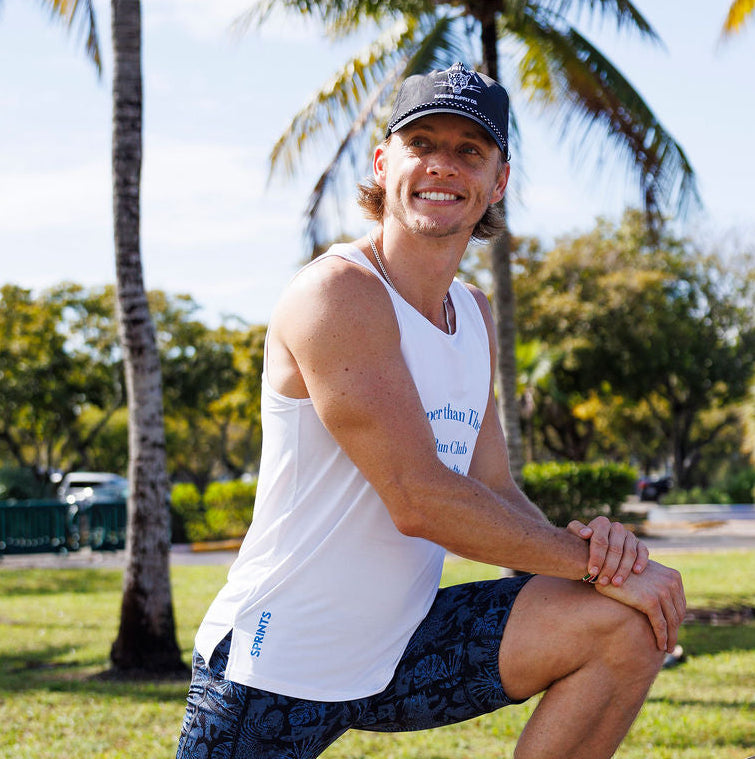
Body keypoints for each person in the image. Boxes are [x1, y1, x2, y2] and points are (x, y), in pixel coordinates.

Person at [176, 62, 685, 759]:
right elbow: (419, 499)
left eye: (469, 150)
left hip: (401, 643)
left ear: (497, 182)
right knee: (616, 594)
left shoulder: (472, 313)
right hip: (277, 660)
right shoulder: (337, 293)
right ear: (383, 164)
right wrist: (598, 565)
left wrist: (603, 571)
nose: (443, 165)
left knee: (624, 624)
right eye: (422, 144)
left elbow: (492, 487)